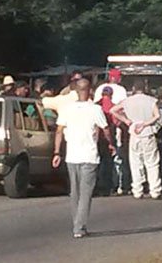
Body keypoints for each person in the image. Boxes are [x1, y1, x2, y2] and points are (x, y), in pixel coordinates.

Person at [52, 79, 115, 239]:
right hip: (89, 155)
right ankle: (79, 227)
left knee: (75, 192)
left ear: (75, 91)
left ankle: (78, 223)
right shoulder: (95, 109)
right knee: (86, 193)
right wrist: (111, 143)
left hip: (71, 156)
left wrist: (57, 152)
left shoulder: (67, 109)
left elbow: (59, 131)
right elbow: (105, 129)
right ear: (90, 91)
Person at [111, 80, 162, 199]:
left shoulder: (127, 101)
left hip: (133, 133)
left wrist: (126, 120)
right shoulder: (151, 100)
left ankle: (137, 190)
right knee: (152, 162)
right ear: (145, 88)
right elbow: (157, 116)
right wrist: (145, 124)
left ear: (134, 88)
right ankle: (155, 190)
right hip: (148, 132)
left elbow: (113, 110)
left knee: (135, 162)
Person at [96, 86, 117, 195]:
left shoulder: (96, 105)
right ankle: (106, 187)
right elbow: (114, 123)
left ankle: (97, 186)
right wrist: (111, 142)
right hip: (107, 137)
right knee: (107, 164)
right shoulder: (113, 107)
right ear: (111, 94)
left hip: (95, 138)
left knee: (97, 163)